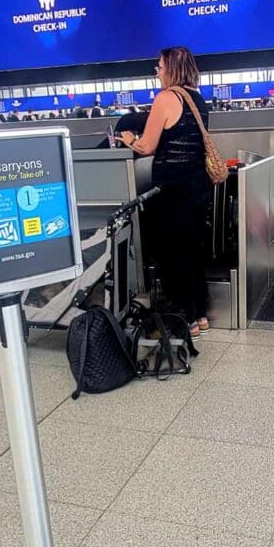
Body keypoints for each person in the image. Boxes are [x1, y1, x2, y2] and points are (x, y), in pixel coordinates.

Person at [117, 46, 212, 339]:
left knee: (173, 255)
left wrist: (128, 138)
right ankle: (199, 315)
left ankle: (184, 321)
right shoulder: (197, 99)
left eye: (159, 67)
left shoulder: (166, 98)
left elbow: (148, 146)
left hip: (172, 190)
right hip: (198, 186)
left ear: (171, 68)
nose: (157, 72)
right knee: (193, 251)